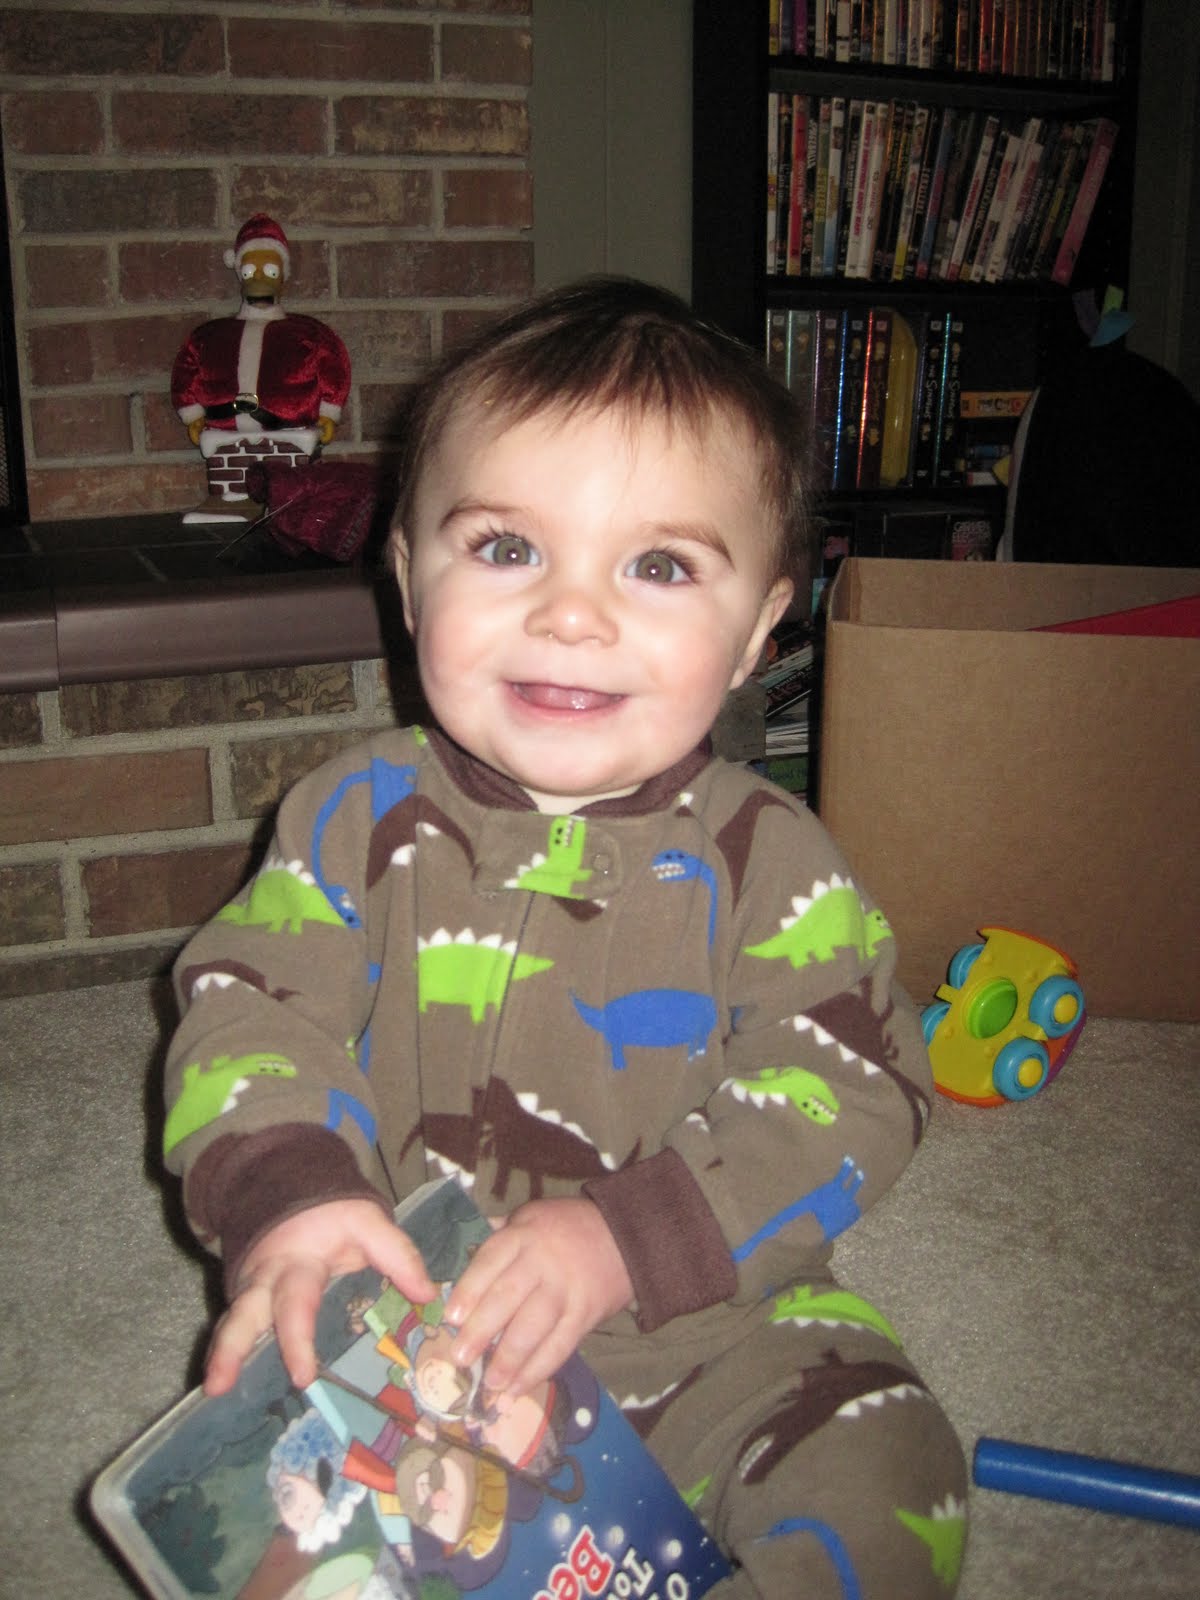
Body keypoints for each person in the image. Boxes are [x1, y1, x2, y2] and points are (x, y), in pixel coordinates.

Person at [164, 276, 967, 1598]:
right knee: (258, 1523)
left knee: (895, 1473)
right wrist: (294, 1203)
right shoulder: (350, 817)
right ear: (407, 577)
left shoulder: (771, 858)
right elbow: (251, 1005)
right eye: (504, 549)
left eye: (659, 566)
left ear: (759, 630)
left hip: (711, 1335)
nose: (572, 614)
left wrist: (626, 1240)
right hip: (416, 1341)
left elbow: (859, 1085)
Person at [170, 213, 351, 520]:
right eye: (250, 270)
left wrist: (328, 413)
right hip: (225, 425)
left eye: (270, 270)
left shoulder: (310, 333)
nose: (259, 279)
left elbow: (334, 368)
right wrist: (194, 415)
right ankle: (230, 498)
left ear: (283, 275)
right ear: (239, 272)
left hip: (287, 429)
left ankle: (289, 499)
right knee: (233, 479)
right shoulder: (208, 335)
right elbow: (185, 372)